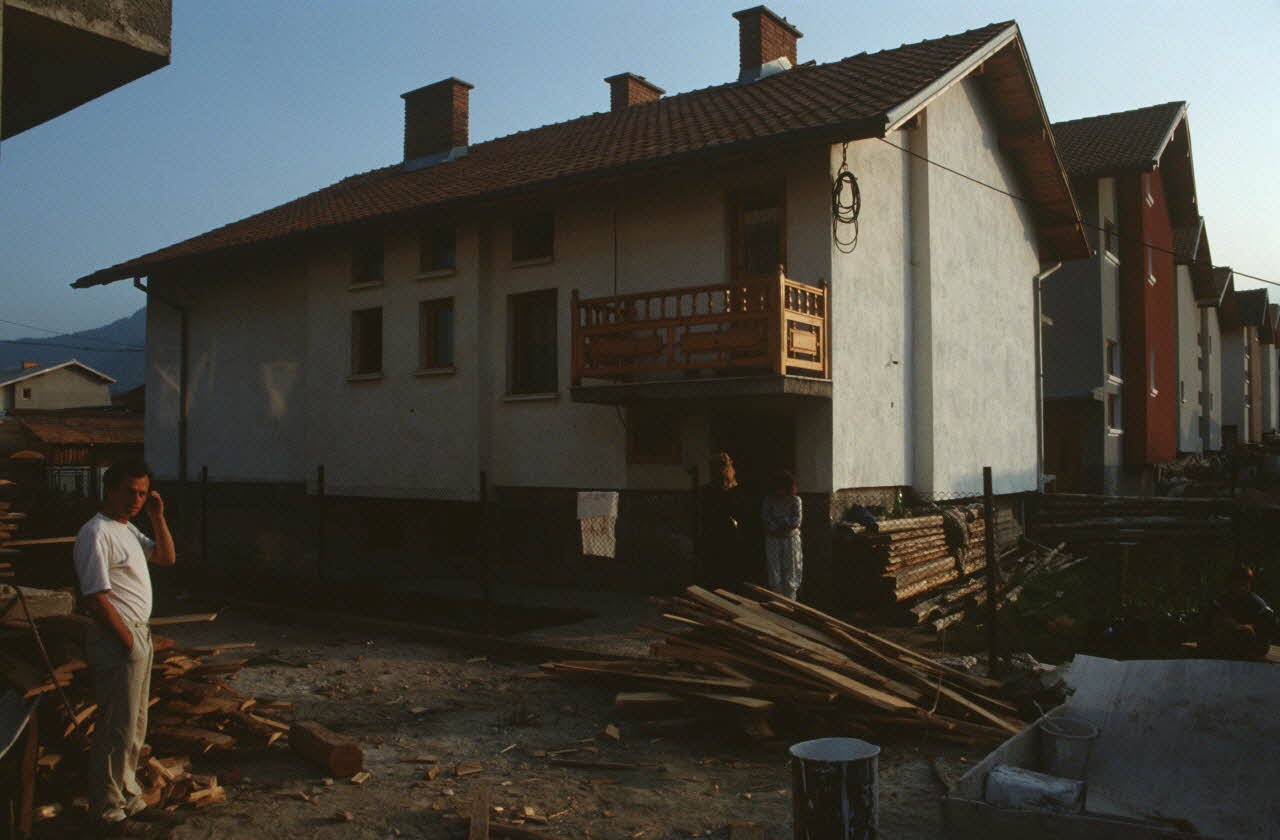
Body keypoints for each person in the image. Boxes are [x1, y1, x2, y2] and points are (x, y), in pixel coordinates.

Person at [73, 459, 176, 829]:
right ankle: (106, 808)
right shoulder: (95, 532)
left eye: (143, 493)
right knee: (116, 725)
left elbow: (165, 557)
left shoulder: (128, 529)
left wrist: (157, 517)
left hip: (137, 632)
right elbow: (95, 596)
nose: (136, 499)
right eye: (129, 492)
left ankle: (129, 795)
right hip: (117, 635)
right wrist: (128, 640)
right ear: (110, 490)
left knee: (135, 724)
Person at [1208, 566, 1276, 660]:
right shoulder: (1223, 600)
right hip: (1229, 640)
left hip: (1253, 644)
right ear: (1231, 584)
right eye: (1238, 583)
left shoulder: (1257, 603)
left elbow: (1268, 628)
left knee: (1245, 633)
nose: (1242, 587)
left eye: (1245, 583)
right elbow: (1212, 617)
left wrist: (1249, 627)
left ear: (1250, 584)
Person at [697, 453, 745, 587]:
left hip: (720, 531)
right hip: (719, 530)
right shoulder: (711, 490)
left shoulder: (709, 490)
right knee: (721, 567)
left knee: (720, 567)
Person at [761, 469, 802, 600]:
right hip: (773, 539)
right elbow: (766, 519)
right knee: (774, 573)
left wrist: (780, 523)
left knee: (792, 572)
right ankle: (777, 603)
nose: (779, 492)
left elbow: (796, 521)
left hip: (790, 540)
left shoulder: (795, 500)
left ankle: (790, 604)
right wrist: (779, 526)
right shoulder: (769, 500)